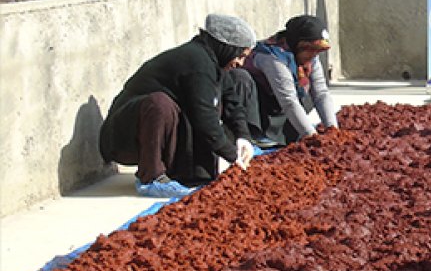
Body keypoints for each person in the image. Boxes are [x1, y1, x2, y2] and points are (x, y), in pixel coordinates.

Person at [98, 14, 259, 198]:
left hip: (151, 132)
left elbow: (232, 102)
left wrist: (243, 137)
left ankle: (192, 174)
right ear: (227, 47)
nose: (240, 62)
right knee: (161, 104)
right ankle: (151, 176)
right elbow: (204, 117)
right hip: (123, 138)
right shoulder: (197, 62)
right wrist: (231, 155)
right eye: (240, 55)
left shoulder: (214, 65)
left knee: (202, 104)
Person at [243, 14, 339, 147]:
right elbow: (288, 100)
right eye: (310, 50)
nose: (314, 55)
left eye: (317, 51)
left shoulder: (310, 56)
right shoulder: (273, 57)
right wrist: (311, 136)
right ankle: (257, 134)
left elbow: (321, 93)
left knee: (307, 93)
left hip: (282, 105)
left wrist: (332, 129)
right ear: (298, 45)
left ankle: (292, 132)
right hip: (263, 105)